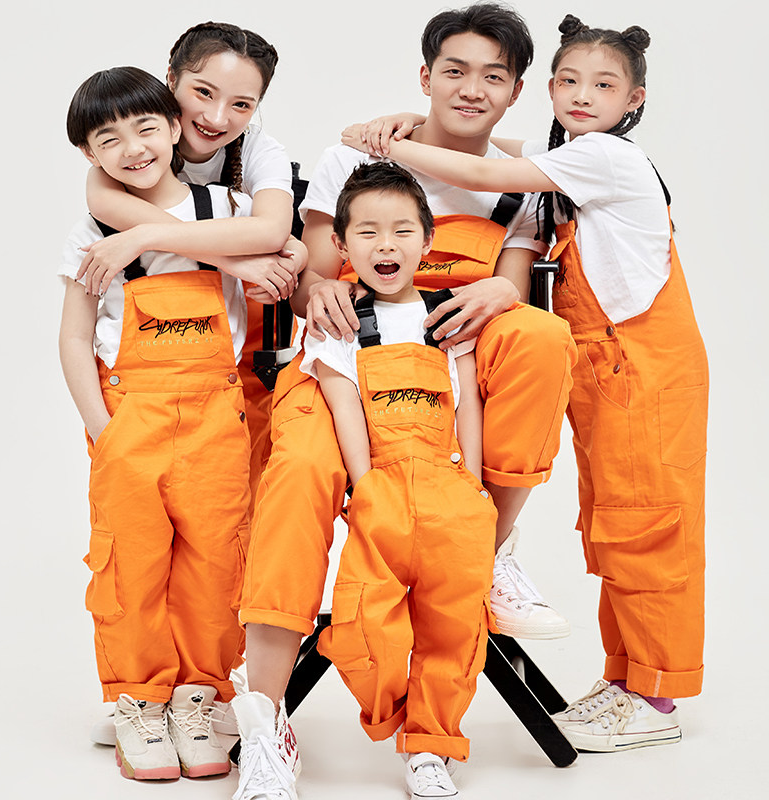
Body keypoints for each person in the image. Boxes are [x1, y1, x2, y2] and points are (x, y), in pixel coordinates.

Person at [230, 5, 576, 798]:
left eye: (492, 76)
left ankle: (487, 549)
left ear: (516, 91)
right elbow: (313, 271)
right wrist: (319, 290)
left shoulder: (522, 184)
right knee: (297, 477)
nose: (470, 89)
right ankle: (267, 720)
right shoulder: (354, 155)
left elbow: (514, 291)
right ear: (425, 76)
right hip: (342, 363)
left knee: (541, 335)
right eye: (454, 70)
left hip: (447, 372)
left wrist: (500, 288)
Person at [344, 13, 709, 753]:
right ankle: (627, 681)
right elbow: (500, 150)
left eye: (603, 85)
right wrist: (415, 120)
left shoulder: (607, 157)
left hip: (645, 366)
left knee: (649, 526)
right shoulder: (570, 157)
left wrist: (380, 142)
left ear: (634, 100)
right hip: (605, 366)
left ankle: (656, 697)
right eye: (569, 81)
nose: (582, 96)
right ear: (548, 88)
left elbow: (481, 171)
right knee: (612, 526)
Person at [60, 66, 258, 780]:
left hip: (216, 415)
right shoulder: (91, 229)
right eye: (108, 139)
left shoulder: (228, 207)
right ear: (90, 155)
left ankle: (199, 697)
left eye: (146, 127)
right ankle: (138, 702)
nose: (133, 148)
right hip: (130, 416)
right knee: (130, 564)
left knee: (216, 561)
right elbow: (73, 336)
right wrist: (103, 430)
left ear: (175, 126)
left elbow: (278, 255)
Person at [312, 161, 497, 799]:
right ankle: (394, 712)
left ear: (427, 239)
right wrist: (365, 487)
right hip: (382, 488)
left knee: (454, 626)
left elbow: (468, 403)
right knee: (364, 624)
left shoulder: (448, 317)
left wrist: (475, 486)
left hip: (451, 489)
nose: (385, 245)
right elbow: (343, 406)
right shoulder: (339, 323)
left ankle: (431, 746)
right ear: (341, 244)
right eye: (366, 232)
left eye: (401, 231)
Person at [79, 21, 307, 513]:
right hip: (149, 376)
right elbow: (101, 202)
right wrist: (236, 261)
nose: (217, 117)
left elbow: (274, 233)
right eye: (203, 92)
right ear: (170, 79)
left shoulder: (260, 152)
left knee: (237, 511)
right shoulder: (134, 148)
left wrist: (145, 235)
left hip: (247, 350)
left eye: (242, 104)